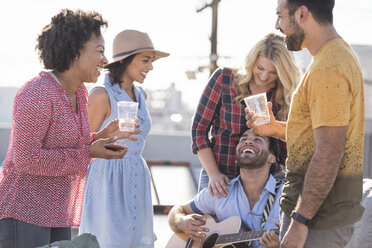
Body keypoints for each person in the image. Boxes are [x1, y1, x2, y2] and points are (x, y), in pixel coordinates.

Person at [0, 9, 139, 248]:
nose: (105, 61)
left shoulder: (80, 94)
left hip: (57, 214)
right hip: (24, 213)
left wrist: (101, 137)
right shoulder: (37, 93)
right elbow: (25, 159)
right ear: (75, 51)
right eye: (100, 51)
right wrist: (89, 153)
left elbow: (67, 146)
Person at [246, 0, 365, 247]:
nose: (277, 25)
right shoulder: (330, 57)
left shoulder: (328, 67)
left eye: (280, 16)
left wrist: (300, 221)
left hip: (317, 221)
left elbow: (329, 151)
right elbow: (319, 138)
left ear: (302, 14)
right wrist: (276, 128)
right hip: (316, 217)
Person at [79, 30, 169, 248]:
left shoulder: (142, 95)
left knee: (138, 241)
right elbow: (82, 146)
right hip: (107, 180)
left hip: (137, 174)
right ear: (125, 61)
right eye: (145, 60)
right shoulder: (101, 95)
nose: (151, 67)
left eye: (151, 61)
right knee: (108, 241)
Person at [191, 33, 300, 198]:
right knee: (208, 223)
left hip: (263, 183)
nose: (264, 77)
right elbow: (199, 130)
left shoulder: (285, 95)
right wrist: (213, 174)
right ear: (252, 61)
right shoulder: (225, 79)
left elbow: (286, 149)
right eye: (260, 68)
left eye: (273, 73)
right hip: (220, 177)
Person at [168, 129, 283, 248]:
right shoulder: (220, 191)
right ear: (236, 156)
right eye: (243, 139)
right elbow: (177, 211)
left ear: (272, 158)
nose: (248, 142)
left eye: (257, 139)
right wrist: (181, 222)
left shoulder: (286, 197)